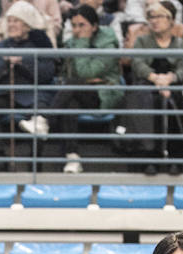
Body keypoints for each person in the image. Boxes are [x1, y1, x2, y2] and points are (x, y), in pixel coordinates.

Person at [0, 1, 57, 171]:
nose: (11, 25)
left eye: (16, 21)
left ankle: (34, 159)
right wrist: (4, 63)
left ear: (27, 24)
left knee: (41, 110)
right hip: (5, 95)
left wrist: (22, 61)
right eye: (9, 20)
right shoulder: (0, 47)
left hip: (31, 96)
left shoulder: (40, 45)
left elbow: (47, 73)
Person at [43, 5, 123, 174]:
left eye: (82, 25)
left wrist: (82, 43)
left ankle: (45, 121)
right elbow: (67, 73)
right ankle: (73, 157)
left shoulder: (108, 43)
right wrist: (85, 79)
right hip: (79, 92)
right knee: (70, 103)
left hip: (104, 94)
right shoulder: (70, 43)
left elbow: (86, 72)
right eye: (74, 25)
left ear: (94, 26)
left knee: (73, 84)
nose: (77, 30)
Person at [124, 1, 183, 175]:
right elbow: (138, 64)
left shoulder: (181, 43)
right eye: (151, 17)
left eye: (159, 16)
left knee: (173, 101)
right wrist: (156, 79)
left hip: (173, 85)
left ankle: (175, 159)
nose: (154, 21)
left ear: (171, 20)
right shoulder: (142, 40)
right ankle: (150, 158)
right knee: (149, 100)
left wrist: (170, 78)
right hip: (149, 84)